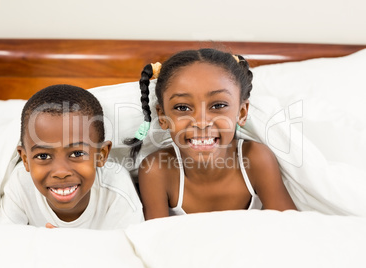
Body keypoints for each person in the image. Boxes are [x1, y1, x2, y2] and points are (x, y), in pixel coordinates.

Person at [125, 48, 297, 220]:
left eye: (218, 105)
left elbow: (292, 227)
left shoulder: (256, 158)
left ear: (242, 113)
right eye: (182, 108)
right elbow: (154, 240)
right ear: (162, 117)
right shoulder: (156, 170)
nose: (201, 122)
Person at [0, 84, 144, 229]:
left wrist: (65, 245)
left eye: (77, 154)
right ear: (26, 159)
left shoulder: (118, 191)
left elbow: (126, 251)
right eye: (43, 156)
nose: (61, 172)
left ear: (101, 155)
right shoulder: (21, 184)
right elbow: (3, 245)